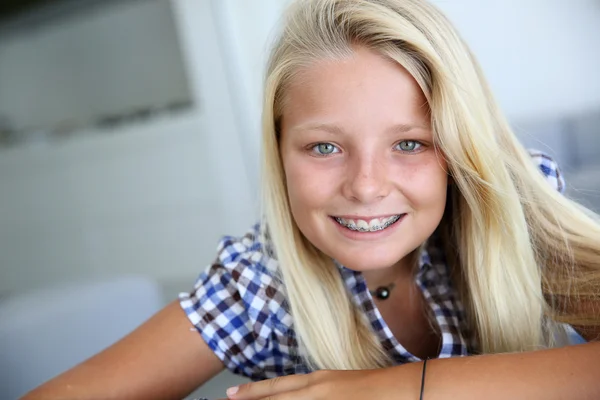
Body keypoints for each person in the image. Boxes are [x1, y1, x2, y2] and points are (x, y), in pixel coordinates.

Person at [23, 0, 600, 399]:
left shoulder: (511, 210)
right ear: (278, 151)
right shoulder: (259, 282)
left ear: (458, 145)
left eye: (409, 143)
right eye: (324, 146)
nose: (367, 185)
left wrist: (399, 388)